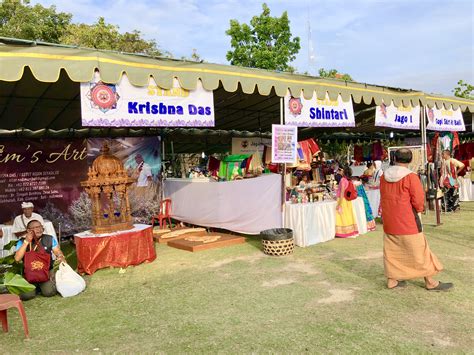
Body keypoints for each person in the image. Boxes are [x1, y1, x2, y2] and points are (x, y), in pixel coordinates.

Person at [380, 148, 452, 291]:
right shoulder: (411, 177)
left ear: (394, 158)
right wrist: (419, 210)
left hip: (389, 219)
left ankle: (392, 280)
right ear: (410, 160)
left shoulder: (384, 176)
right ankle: (430, 281)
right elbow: (418, 201)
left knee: (392, 250)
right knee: (420, 249)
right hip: (407, 220)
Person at [14, 219, 66, 300]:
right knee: (26, 296)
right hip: (29, 274)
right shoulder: (22, 241)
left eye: (40, 226)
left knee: (49, 292)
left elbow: (57, 251)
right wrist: (26, 241)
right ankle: (37, 286)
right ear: (28, 230)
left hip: (46, 272)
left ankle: (43, 284)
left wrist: (60, 256)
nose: (39, 229)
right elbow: (17, 259)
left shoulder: (49, 238)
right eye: (35, 227)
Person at [335, 166, 359, 238]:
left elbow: (342, 192)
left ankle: (344, 232)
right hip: (348, 200)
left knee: (342, 216)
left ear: (344, 172)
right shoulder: (349, 180)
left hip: (342, 200)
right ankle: (350, 230)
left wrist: (339, 204)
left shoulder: (343, 180)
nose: (341, 171)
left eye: (342, 170)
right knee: (348, 215)